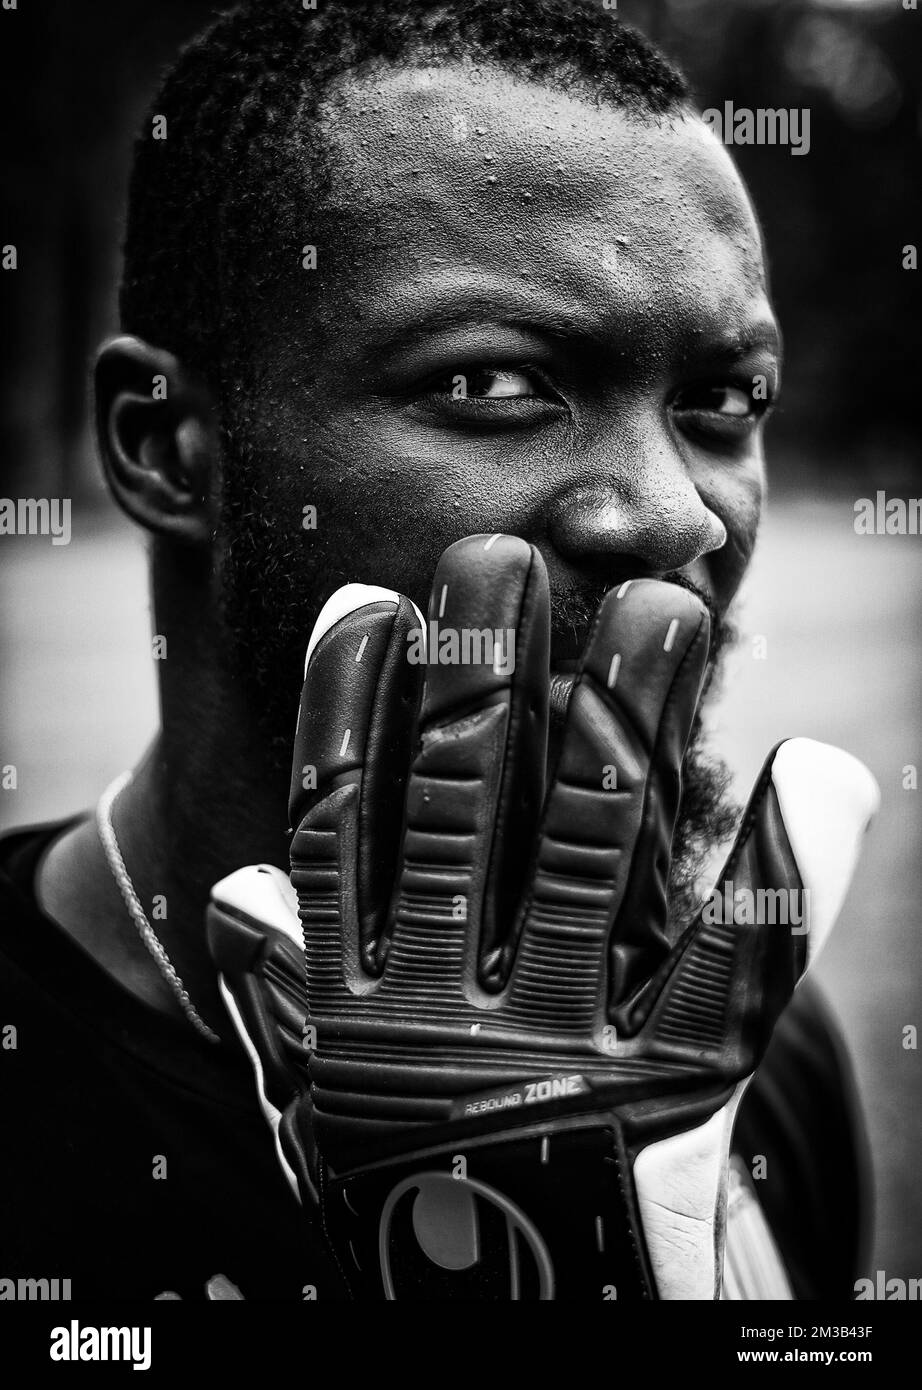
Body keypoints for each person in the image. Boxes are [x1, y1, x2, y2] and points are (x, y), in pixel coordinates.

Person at [0, 0, 871, 1300]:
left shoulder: (748, 1048)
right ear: (166, 442)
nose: (674, 511)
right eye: (487, 384)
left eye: (719, 400)